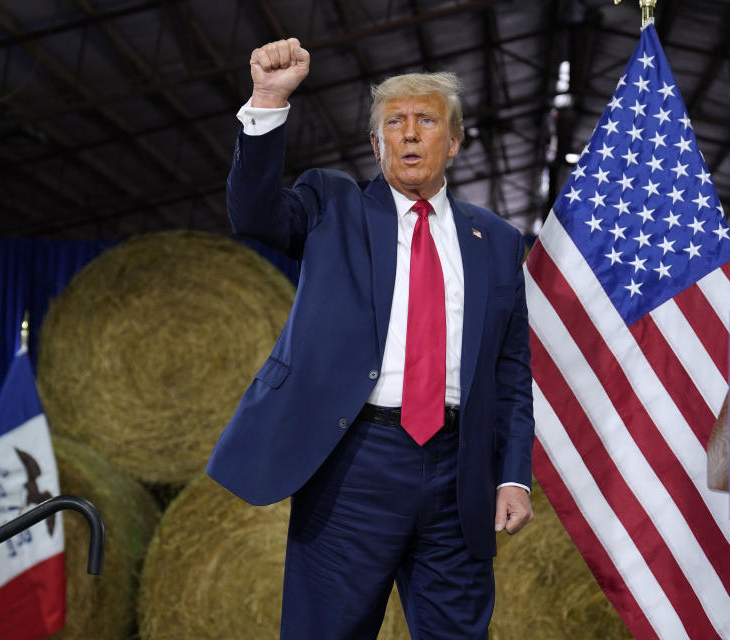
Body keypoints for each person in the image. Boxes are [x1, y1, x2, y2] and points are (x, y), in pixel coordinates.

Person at [206, 37, 535, 640]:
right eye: (395, 123)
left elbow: (512, 373)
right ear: (376, 143)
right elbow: (254, 214)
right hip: (354, 465)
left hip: (459, 471)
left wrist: (512, 474)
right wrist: (267, 100)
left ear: (454, 143)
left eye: (426, 121)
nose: (410, 134)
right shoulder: (332, 206)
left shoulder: (499, 240)